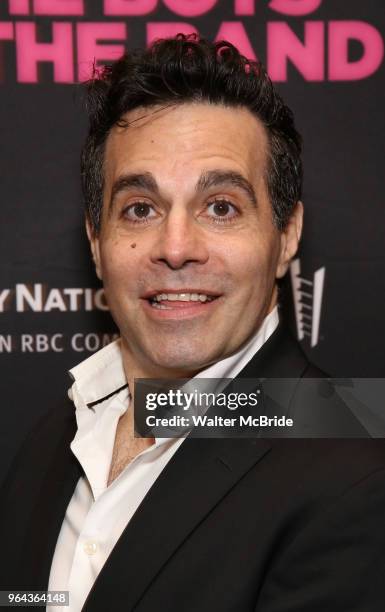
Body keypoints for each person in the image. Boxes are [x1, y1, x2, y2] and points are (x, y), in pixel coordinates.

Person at [1, 34, 384, 612]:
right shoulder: (57, 435)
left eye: (221, 206)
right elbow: (30, 599)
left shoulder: (355, 480)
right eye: (140, 208)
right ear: (97, 242)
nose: (176, 247)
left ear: (286, 237)